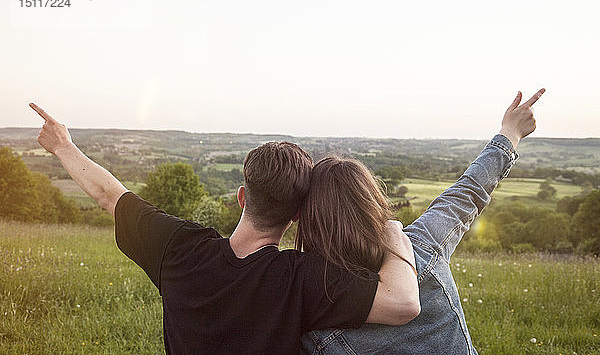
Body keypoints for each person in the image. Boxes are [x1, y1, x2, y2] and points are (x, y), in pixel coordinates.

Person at [28, 103, 420, 355]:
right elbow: (404, 304)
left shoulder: (178, 248)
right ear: (296, 214)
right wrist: (392, 232)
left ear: (242, 196)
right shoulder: (302, 278)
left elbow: (109, 195)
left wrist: (62, 145)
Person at [298, 89, 545, 355]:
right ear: (372, 203)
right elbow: (470, 190)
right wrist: (510, 133)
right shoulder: (422, 245)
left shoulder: (315, 315)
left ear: (311, 222)